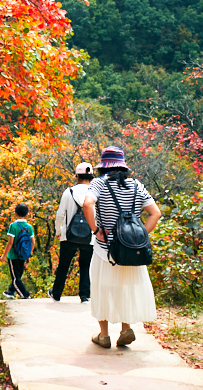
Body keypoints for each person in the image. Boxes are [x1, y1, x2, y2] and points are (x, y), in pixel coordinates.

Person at [81, 147, 162, 349]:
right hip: (130, 250)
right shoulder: (136, 185)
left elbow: (87, 204)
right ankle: (125, 329)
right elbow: (155, 213)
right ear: (123, 166)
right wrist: (139, 236)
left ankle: (104, 335)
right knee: (125, 288)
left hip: (105, 248)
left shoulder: (99, 183)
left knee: (102, 288)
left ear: (103, 166)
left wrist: (95, 229)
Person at [50, 162, 95, 302]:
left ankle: (56, 293)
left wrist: (58, 231)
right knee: (86, 265)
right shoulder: (95, 193)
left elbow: (60, 214)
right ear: (91, 177)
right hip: (90, 236)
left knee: (63, 265)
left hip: (68, 236)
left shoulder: (69, 192)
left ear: (76, 176)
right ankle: (84, 296)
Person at [2, 203, 35, 299]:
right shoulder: (29, 227)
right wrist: (29, 255)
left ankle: (25, 295)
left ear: (15, 214)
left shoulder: (13, 226)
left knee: (16, 278)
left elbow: (10, 242)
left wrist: (4, 255)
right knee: (17, 276)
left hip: (13, 256)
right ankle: (10, 292)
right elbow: (33, 243)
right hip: (23, 255)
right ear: (27, 214)